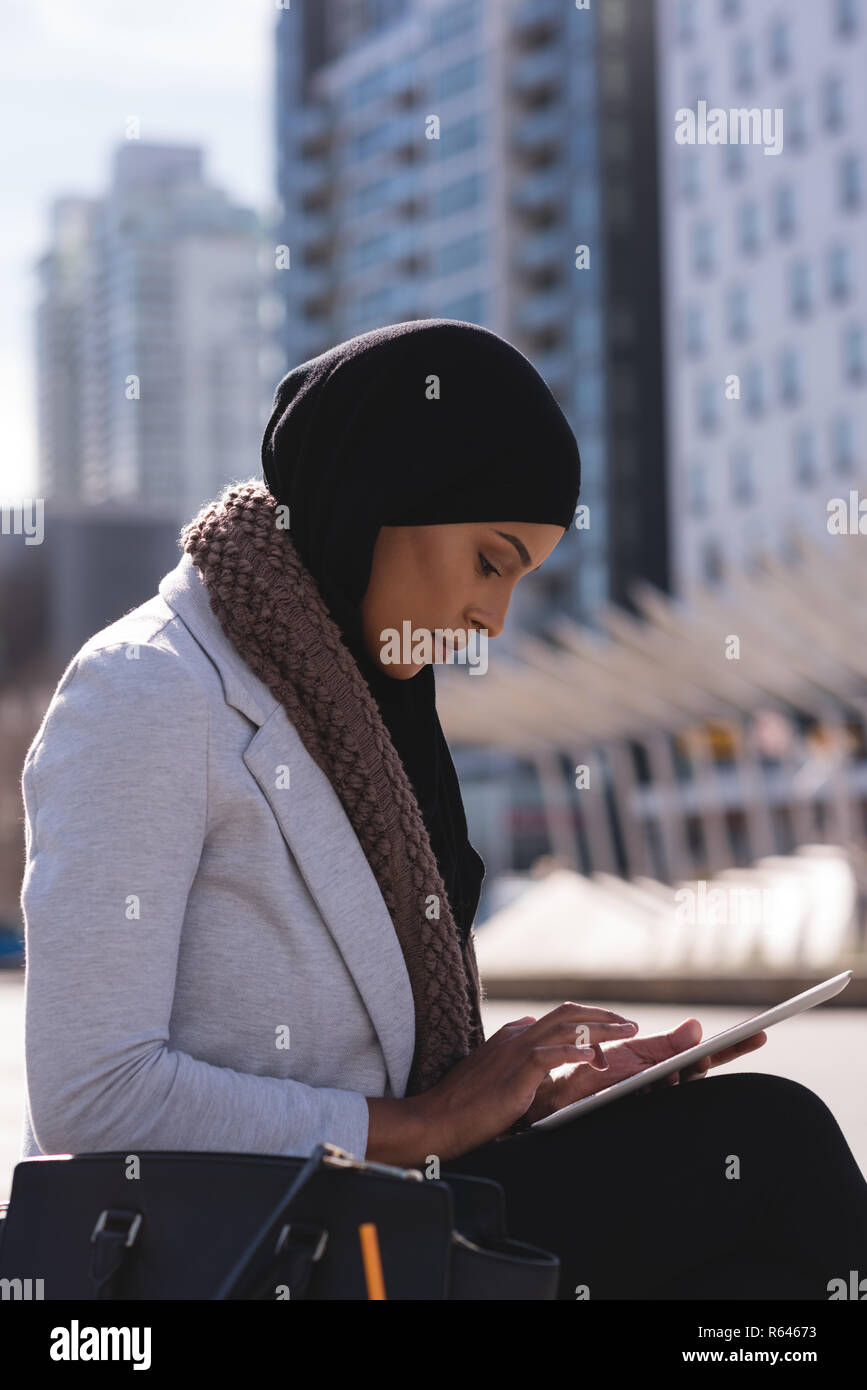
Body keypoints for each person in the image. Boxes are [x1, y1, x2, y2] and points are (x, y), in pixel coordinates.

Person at [19, 319, 867, 1300]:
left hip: (370, 1217)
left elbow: (377, 1065)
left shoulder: (370, 720)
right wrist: (429, 1126)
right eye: (491, 561)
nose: (493, 620)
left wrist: (529, 1105)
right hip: (241, 1251)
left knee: (755, 1167)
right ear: (387, 495)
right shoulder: (148, 690)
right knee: (771, 1156)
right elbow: (93, 1095)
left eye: (520, 580)